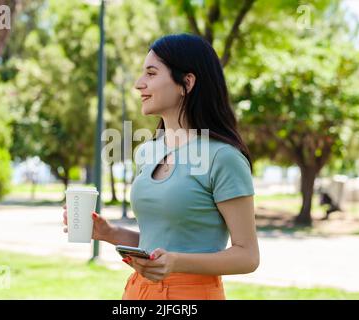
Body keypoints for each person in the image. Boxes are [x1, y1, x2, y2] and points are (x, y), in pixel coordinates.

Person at [62, 33, 259, 300]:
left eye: (151, 74)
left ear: (186, 83)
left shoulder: (223, 157)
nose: (138, 84)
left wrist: (177, 262)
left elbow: (247, 255)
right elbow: (159, 245)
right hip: (138, 292)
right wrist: (109, 233)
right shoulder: (147, 151)